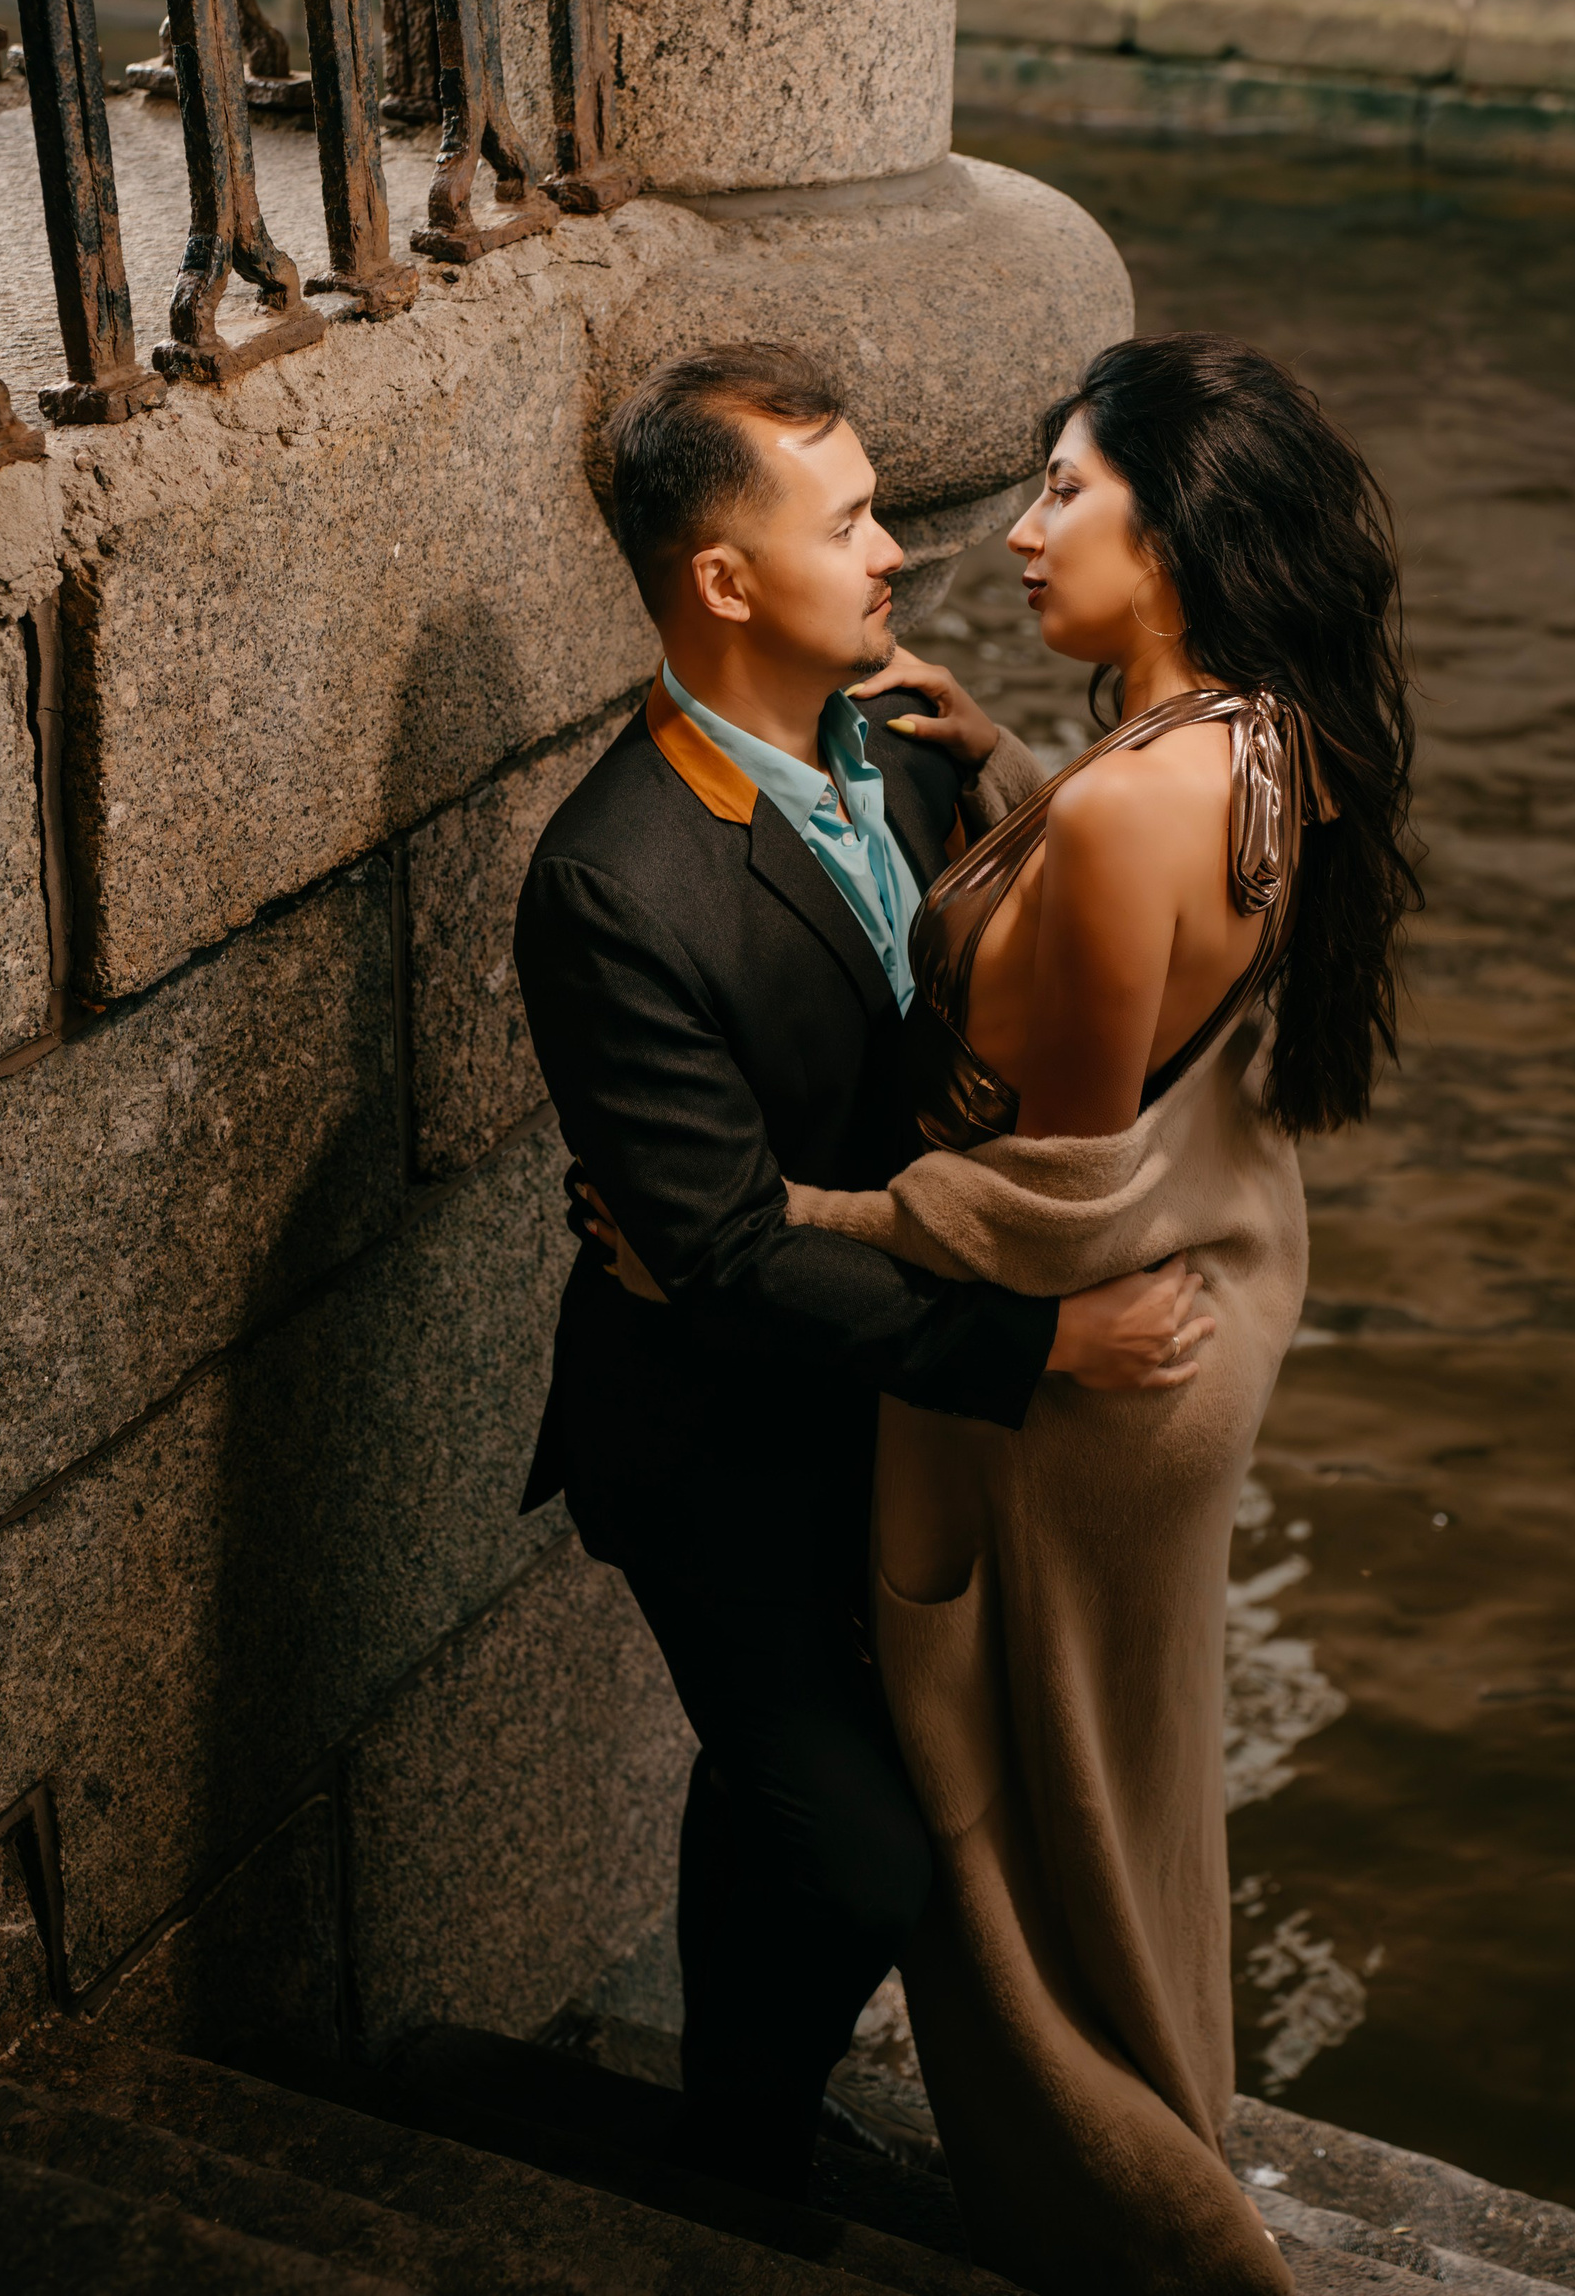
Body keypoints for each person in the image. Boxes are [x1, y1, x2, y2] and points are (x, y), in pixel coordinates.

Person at [510, 341, 1209, 2204]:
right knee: (868, 1853)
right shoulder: (611, 881)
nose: (897, 549)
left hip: (892, 1405)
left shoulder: (902, 744)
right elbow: (725, 1261)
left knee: (791, 1799)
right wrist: (1043, 1341)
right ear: (725, 580)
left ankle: (734, 2128)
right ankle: (731, 2170)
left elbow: (989, 1006)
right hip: (716, 1433)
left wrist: (1012, 786)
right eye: (848, 523)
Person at [776, 333, 1420, 2295]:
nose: (1022, 530)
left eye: (1068, 491)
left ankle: (1151, 2234)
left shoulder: (1136, 808)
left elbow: (1053, 1199)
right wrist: (1015, 780)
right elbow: (1136, 952)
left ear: (1184, 532)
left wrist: (788, 1214)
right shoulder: (1266, 743)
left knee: (1024, 1831)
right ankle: (1169, 2132)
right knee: (1130, 1795)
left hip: (1089, 1380)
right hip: (1197, 1332)